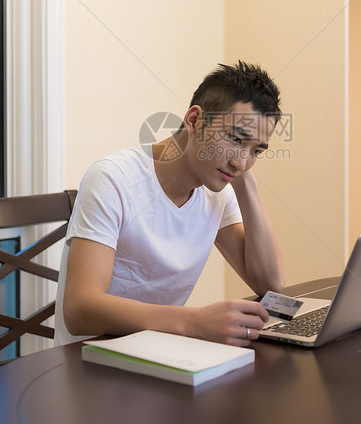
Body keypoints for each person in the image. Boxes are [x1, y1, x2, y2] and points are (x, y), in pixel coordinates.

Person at [54, 61, 285, 347]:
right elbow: (78, 311)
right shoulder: (113, 178)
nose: (241, 161)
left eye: (256, 151)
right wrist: (194, 322)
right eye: (236, 138)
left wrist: (246, 182)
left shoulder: (219, 190)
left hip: (163, 355)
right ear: (194, 120)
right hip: (90, 363)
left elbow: (269, 285)